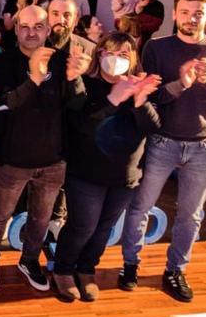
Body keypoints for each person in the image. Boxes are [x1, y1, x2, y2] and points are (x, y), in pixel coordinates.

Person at [0, 5, 85, 296]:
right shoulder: (3, 62)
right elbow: (5, 105)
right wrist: (34, 77)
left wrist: (75, 78)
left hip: (53, 161)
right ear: (16, 29)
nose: (30, 32)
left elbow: (77, 107)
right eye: (24, 26)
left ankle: (29, 260)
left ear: (48, 30)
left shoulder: (62, 60)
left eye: (37, 26)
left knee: (40, 218)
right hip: (12, 160)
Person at [119, 0, 206, 303]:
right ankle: (130, 264)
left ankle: (175, 270)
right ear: (174, 14)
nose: (191, 18)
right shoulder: (157, 48)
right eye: (185, 12)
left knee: (191, 214)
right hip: (162, 141)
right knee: (140, 207)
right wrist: (181, 84)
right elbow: (149, 98)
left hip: (204, 146)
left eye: (198, 12)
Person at [52, 32, 160, 302]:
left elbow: (154, 126)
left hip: (125, 176)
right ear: (99, 54)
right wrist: (113, 99)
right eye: (110, 52)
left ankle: (87, 268)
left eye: (123, 55)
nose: (116, 60)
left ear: (133, 59)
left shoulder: (138, 85)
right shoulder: (87, 85)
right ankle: (63, 269)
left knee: (103, 228)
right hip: (87, 173)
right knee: (83, 226)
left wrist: (139, 100)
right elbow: (81, 124)